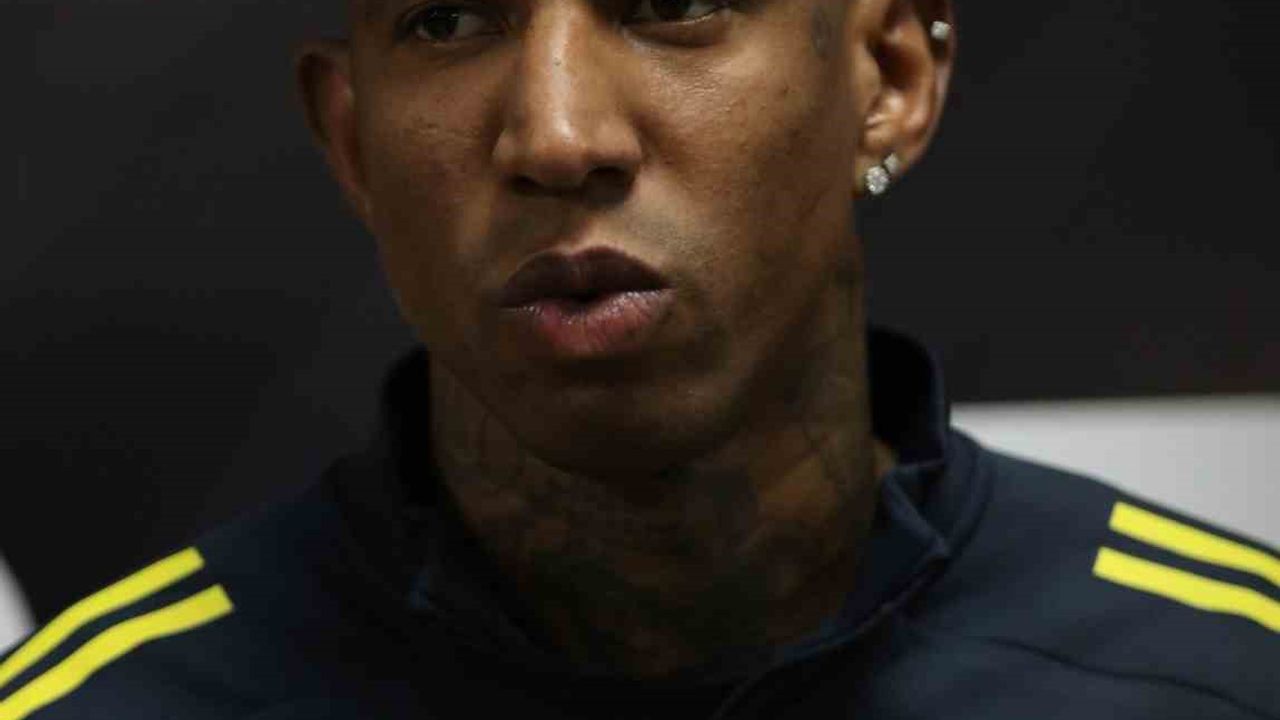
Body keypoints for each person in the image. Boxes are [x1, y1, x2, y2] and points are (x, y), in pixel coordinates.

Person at [1, 0, 1276, 716]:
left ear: (886, 79)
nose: (556, 135)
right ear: (351, 141)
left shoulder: (1221, 676)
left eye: (672, 4)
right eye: (448, 19)